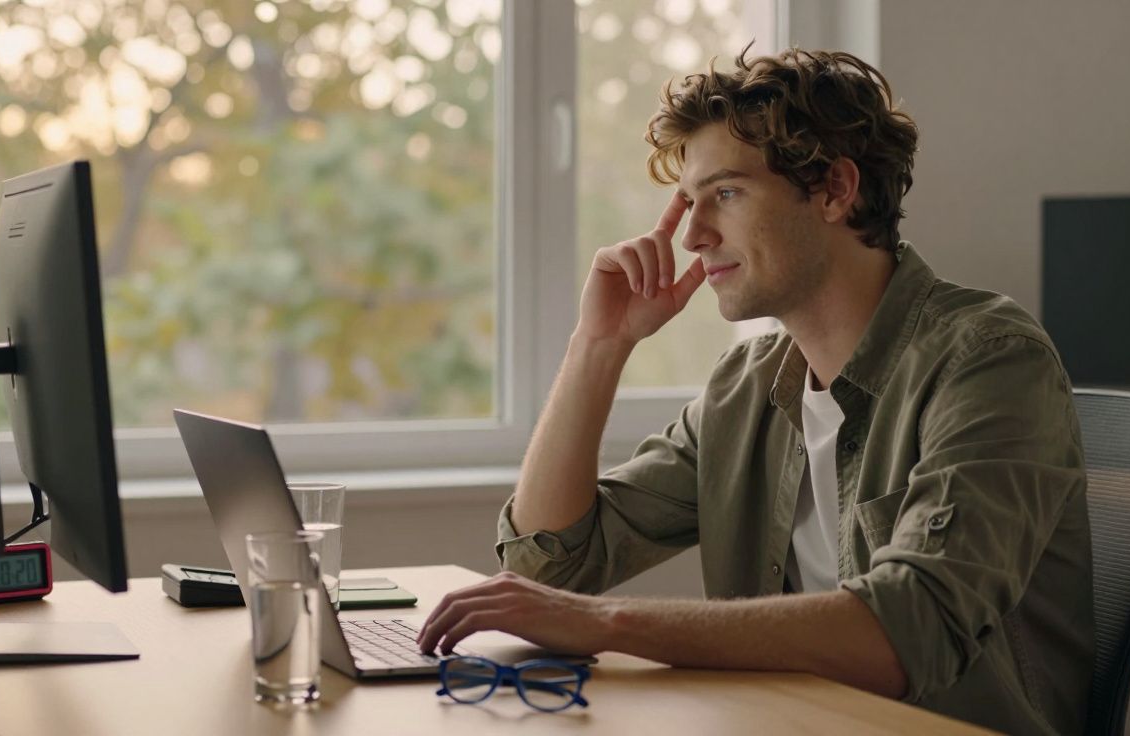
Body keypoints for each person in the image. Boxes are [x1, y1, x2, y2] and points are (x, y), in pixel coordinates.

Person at [418, 46, 1094, 736]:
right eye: (689, 202)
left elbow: (909, 625)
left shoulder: (990, 359)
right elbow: (547, 567)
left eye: (727, 194)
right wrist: (600, 345)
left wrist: (608, 623)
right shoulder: (746, 388)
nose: (693, 234)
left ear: (834, 189)